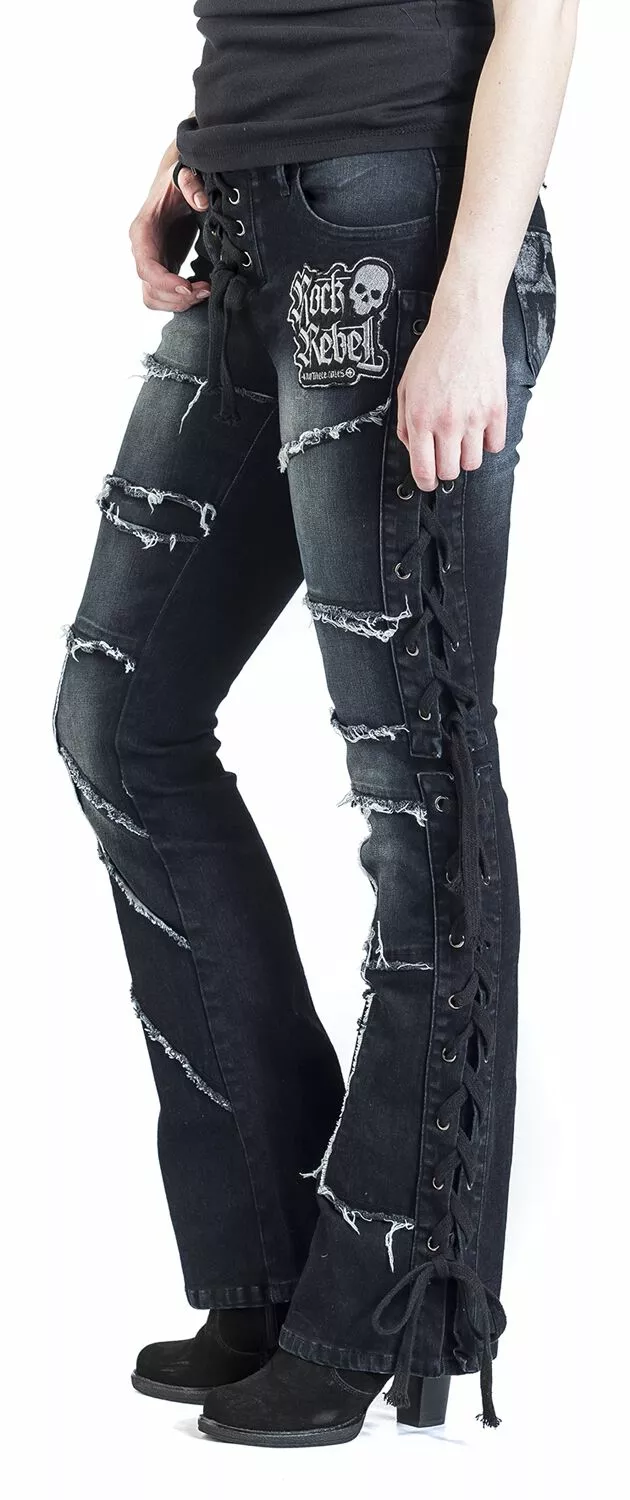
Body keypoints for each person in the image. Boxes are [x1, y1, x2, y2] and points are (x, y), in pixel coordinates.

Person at [53, 0, 579, 1449]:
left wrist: (466, 308)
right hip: (250, 225)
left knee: (416, 780)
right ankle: (277, 1259)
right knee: (118, 718)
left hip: (400, 239)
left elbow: (542, 16)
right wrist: (197, 143)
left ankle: (382, 1298)